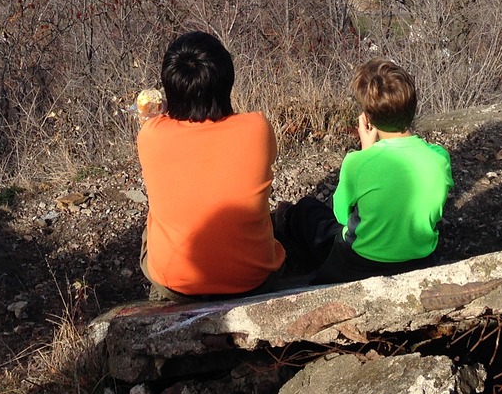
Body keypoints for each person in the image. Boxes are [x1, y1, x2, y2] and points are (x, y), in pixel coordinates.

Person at [137, 31, 287, 299]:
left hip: (176, 284)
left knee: (152, 224)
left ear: (169, 89)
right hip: (252, 278)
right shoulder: (257, 128)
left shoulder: (151, 135)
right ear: (227, 81)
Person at [278, 58, 453, 284]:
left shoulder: (358, 163)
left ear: (367, 118)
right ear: (412, 108)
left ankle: (287, 238)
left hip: (357, 263)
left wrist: (366, 150)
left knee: (307, 210)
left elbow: (341, 216)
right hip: (421, 259)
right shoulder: (440, 158)